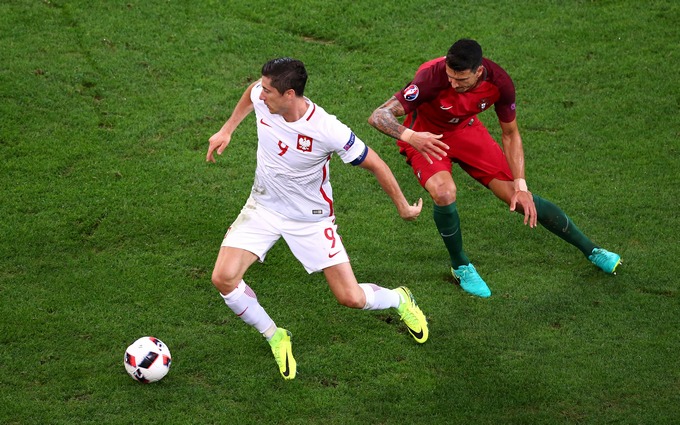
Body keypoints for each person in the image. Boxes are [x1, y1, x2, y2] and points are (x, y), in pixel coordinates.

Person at [206, 57, 429, 380]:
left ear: (290, 94)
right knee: (223, 278)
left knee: (351, 298)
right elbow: (250, 92)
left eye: (268, 91)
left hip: (310, 220)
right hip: (263, 207)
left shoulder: (327, 129)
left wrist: (403, 206)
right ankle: (274, 335)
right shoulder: (263, 97)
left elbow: (376, 164)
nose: (260, 95)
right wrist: (227, 129)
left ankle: (399, 298)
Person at [368, 39, 621, 298]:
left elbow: (510, 133)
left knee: (518, 198)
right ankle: (461, 266)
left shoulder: (500, 83)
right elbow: (379, 115)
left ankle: (593, 250)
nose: (453, 84)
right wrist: (411, 136)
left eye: (461, 80)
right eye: (450, 76)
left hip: (465, 131)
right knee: (444, 192)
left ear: (478, 71)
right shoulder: (431, 78)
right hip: (424, 137)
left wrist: (521, 185)